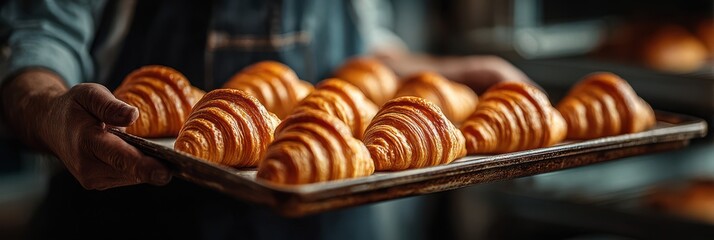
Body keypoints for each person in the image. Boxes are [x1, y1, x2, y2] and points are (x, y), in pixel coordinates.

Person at [0, 0, 530, 238]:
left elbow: (368, 55)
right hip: (134, 218)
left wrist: (444, 74)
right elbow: (37, 49)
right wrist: (49, 111)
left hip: (335, 208)